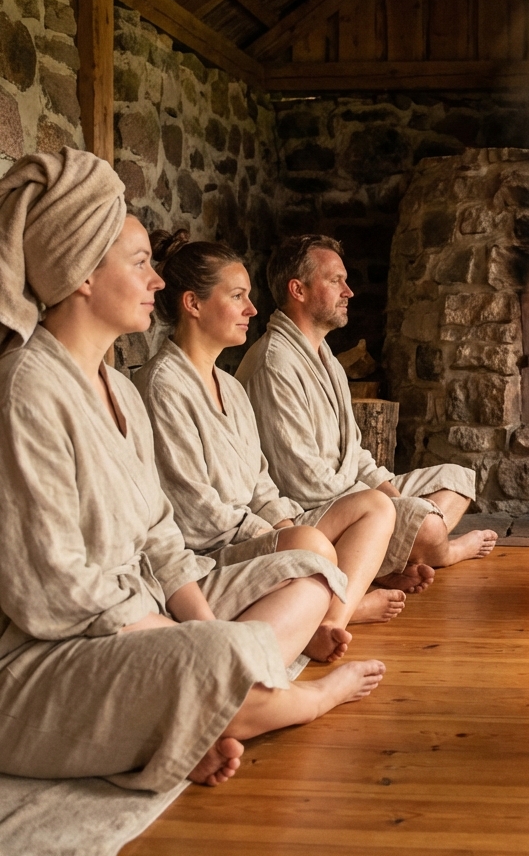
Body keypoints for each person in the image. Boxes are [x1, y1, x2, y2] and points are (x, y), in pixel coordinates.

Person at [0, 149, 385, 792]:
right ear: (82, 274)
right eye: (141, 263)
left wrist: (198, 627)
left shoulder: (120, 393)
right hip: (48, 656)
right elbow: (51, 588)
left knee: (311, 576)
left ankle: (187, 715)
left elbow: (162, 537)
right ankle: (299, 701)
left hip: (144, 615)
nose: (155, 282)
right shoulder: (26, 391)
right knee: (224, 650)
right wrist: (189, 639)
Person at [134, 232, 406, 637]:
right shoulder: (162, 387)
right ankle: (345, 607)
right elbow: (193, 509)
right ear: (193, 304)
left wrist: (282, 523)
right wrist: (272, 534)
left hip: (252, 532)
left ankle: (332, 617)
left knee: (377, 507)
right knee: (313, 547)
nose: (252, 308)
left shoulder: (230, 387)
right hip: (209, 552)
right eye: (238, 296)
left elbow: (260, 480)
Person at [235, 234, 497, 590]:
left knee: (455, 479)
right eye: (335, 281)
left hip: (353, 495)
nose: (349, 292)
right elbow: (302, 482)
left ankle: (385, 555)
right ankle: (442, 552)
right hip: (314, 511)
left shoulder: (325, 357)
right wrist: (388, 509)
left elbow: (356, 454)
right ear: (298, 290)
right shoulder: (274, 365)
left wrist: (397, 500)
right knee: (429, 524)